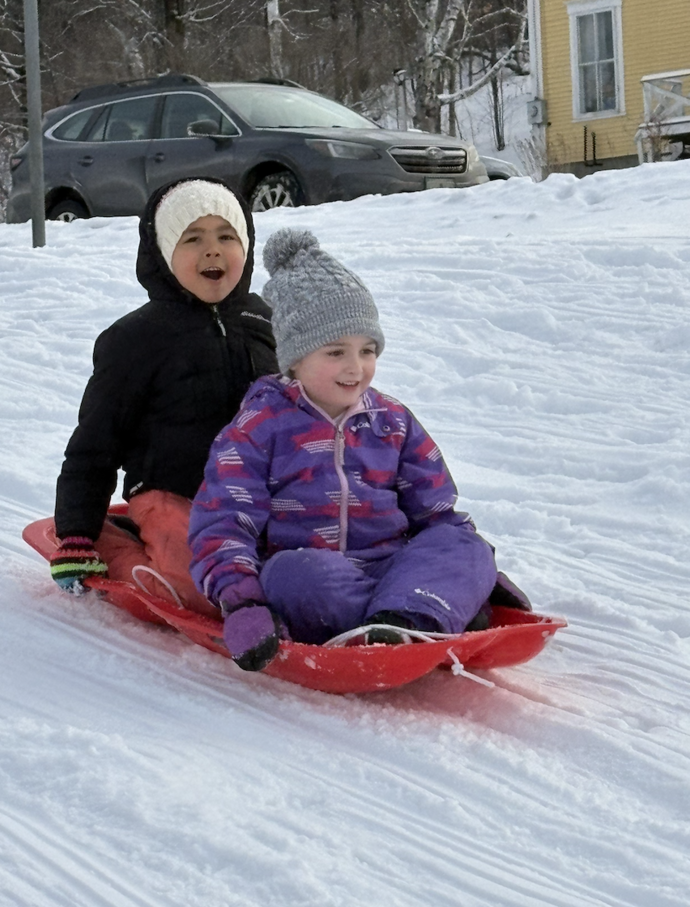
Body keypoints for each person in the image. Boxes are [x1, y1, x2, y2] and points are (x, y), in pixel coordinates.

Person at [189, 228, 530, 671]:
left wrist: (476, 570)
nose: (356, 368)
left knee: (466, 546)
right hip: (319, 575)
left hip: (393, 565)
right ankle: (423, 613)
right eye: (336, 352)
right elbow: (222, 523)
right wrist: (242, 602)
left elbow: (436, 514)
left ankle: (402, 618)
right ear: (294, 357)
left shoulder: (392, 421)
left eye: (368, 351)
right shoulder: (258, 428)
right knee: (292, 577)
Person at [49, 177, 278, 613]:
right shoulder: (134, 339)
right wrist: (76, 531)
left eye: (226, 236)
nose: (213, 250)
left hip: (255, 490)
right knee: (203, 586)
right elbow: (94, 443)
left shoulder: (264, 321)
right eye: (193, 239)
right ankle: (115, 546)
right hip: (171, 493)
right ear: (164, 253)